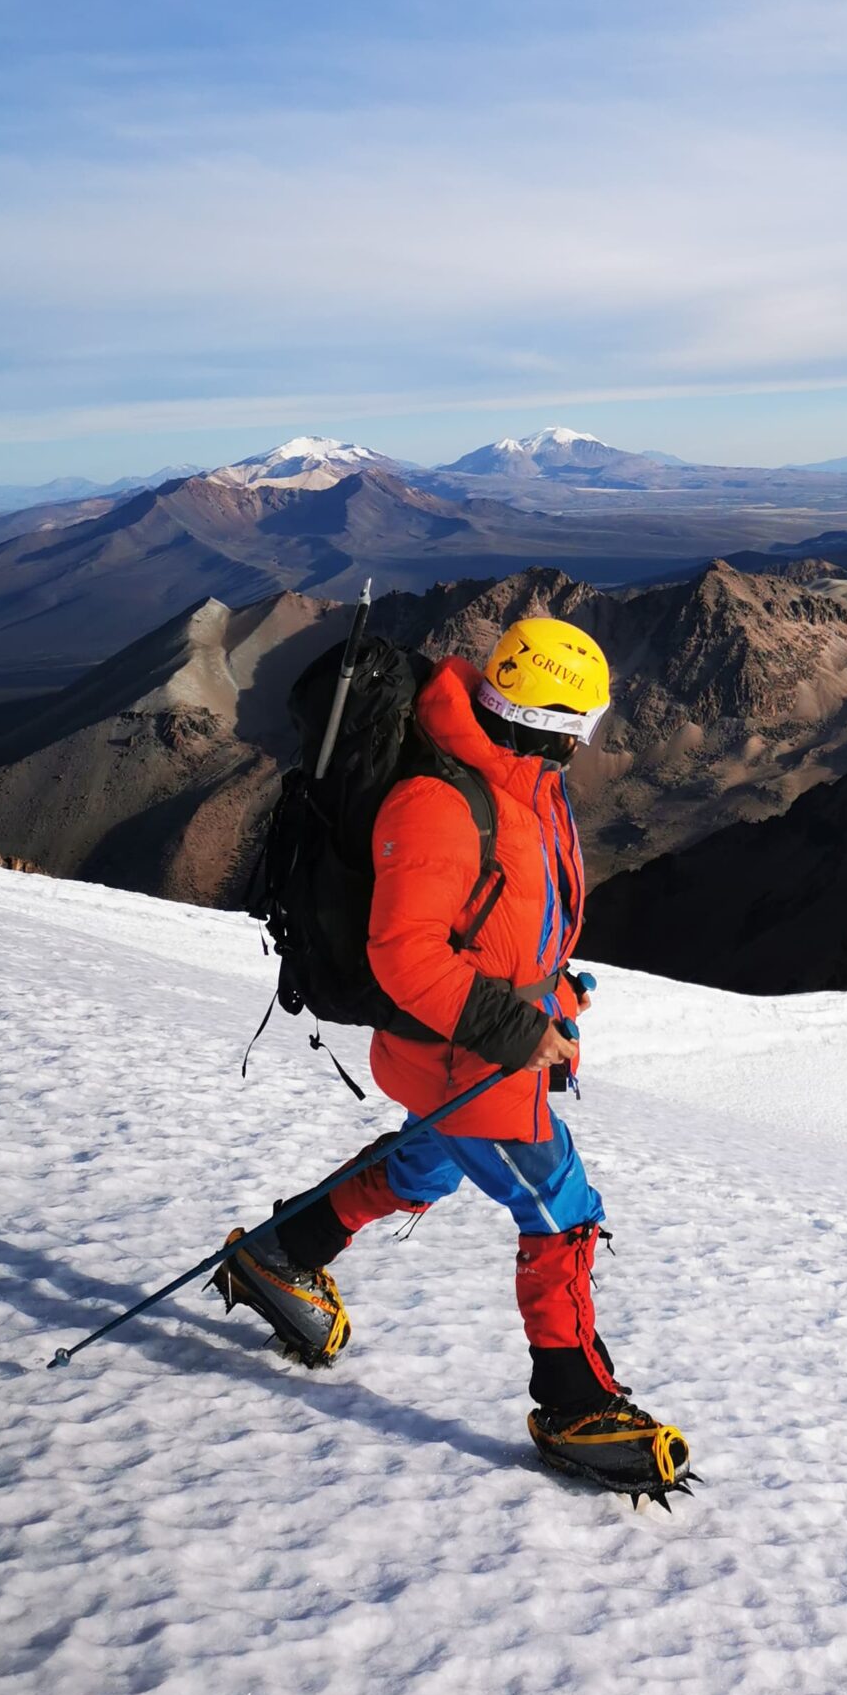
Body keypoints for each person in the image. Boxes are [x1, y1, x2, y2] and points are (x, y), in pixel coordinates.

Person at [214, 617, 689, 1499]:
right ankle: (575, 1402)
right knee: (561, 1206)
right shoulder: (440, 801)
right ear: (548, 719)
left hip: (479, 1046)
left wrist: (551, 990)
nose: (588, 740)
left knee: (424, 1165)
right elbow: (408, 957)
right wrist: (520, 1028)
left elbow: (498, 919)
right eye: (581, 722)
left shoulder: (518, 781)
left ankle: (280, 1253)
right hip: (464, 1059)